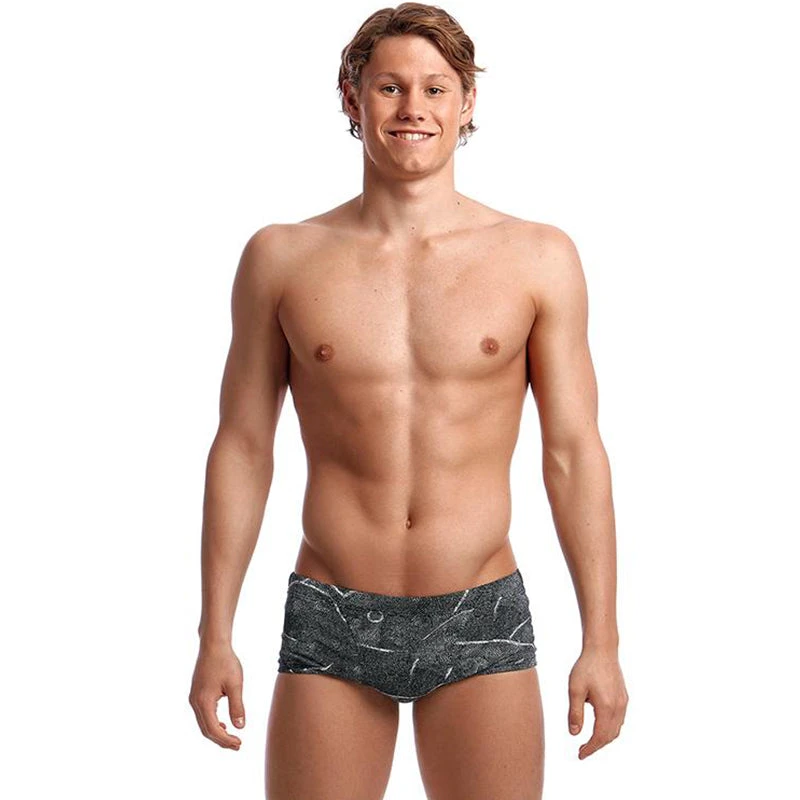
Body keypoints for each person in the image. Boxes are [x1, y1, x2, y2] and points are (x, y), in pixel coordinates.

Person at [189, 3, 628, 798]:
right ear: (353, 98)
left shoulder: (537, 257)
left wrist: (603, 638)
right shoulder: (282, 258)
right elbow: (244, 447)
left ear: (467, 102)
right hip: (332, 610)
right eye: (390, 87)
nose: (412, 108)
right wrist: (213, 633)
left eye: (435, 88)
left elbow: (572, 452)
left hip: (479, 611)